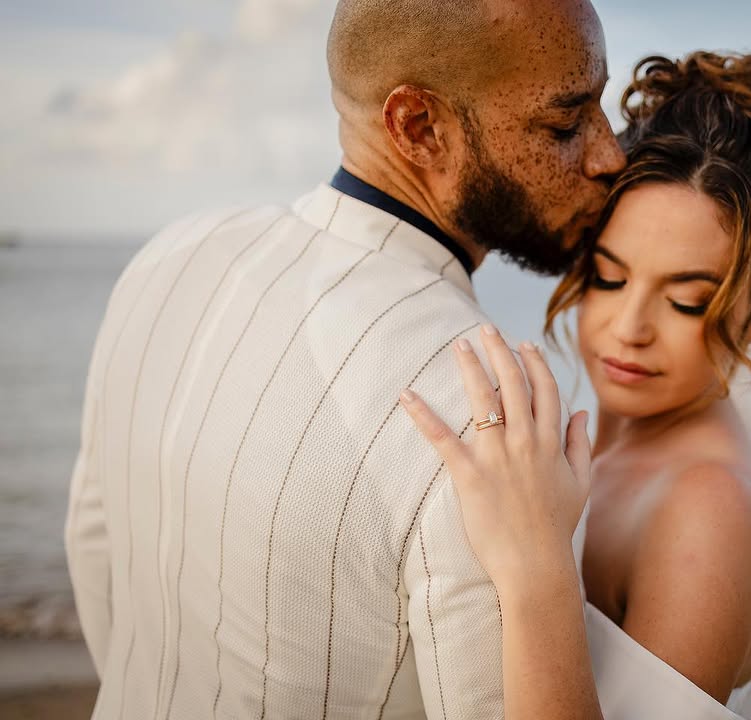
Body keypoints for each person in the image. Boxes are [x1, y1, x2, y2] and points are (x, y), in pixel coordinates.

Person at [63, 0, 625, 717]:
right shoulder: (483, 421)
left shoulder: (167, 256)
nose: (611, 155)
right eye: (565, 122)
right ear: (419, 128)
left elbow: (95, 553)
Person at [402, 51, 751, 718]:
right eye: (608, 277)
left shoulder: (710, 507)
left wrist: (535, 563)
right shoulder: (615, 448)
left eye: (687, 301)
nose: (630, 328)